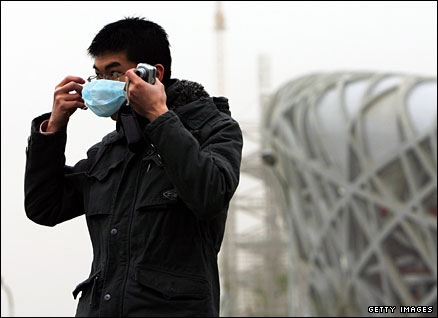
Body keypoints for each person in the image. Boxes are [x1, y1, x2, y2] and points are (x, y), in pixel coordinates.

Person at [24, 17, 243, 317]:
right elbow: (44, 206)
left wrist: (159, 116)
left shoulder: (213, 130)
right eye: (97, 75)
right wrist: (53, 128)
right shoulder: (109, 151)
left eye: (113, 73)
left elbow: (210, 195)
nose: (101, 84)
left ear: (154, 74)